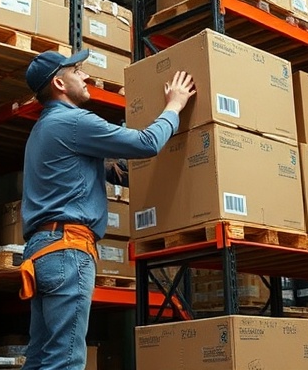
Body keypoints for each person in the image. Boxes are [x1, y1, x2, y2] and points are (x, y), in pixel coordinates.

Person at [19, 49, 195, 370]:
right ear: (59, 83)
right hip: (67, 252)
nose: (86, 76)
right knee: (65, 361)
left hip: (43, 251)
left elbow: (104, 171)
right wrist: (174, 105)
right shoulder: (73, 122)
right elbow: (146, 144)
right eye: (77, 71)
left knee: (41, 357)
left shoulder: (44, 130)